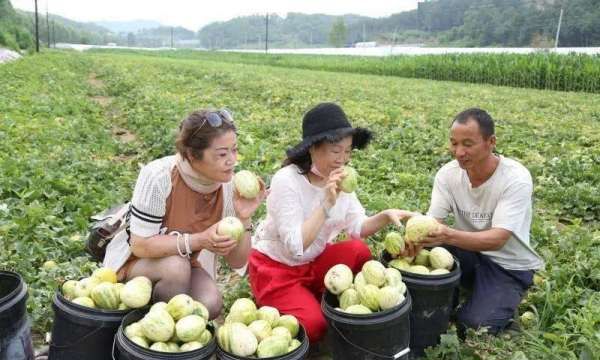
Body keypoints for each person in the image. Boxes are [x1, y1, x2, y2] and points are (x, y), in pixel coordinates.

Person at [248, 102, 416, 343]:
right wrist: (326, 203)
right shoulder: (287, 181)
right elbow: (295, 247)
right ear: (312, 149)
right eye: (336, 151)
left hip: (314, 261)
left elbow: (357, 228)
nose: (343, 160)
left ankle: (309, 297)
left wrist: (384, 215)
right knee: (314, 326)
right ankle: (292, 299)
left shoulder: (341, 179)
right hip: (278, 268)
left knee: (358, 251)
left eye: (348, 152)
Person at [103, 108, 266, 319]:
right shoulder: (159, 176)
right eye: (222, 154)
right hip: (137, 264)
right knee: (175, 268)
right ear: (191, 154)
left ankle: (173, 338)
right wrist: (199, 240)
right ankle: (145, 325)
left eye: (234, 150)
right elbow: (140, 245)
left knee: (210, 303)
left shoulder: (228, 186)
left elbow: (237, 261)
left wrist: (244, 217)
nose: (232, 161)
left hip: (187, 264)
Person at [410, 108, 544, 334]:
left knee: (473, 325)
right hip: (469, 253)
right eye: (454, 143)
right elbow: (434, 221)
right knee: (433, 246)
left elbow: (498, 239)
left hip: (508, 265)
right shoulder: (448, 175)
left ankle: (504, 294)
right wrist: (414, 241)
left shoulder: (515, 178)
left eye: (468, 144)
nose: (459, 152)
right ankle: (457, 290)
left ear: (491, 142)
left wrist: (448, 234)